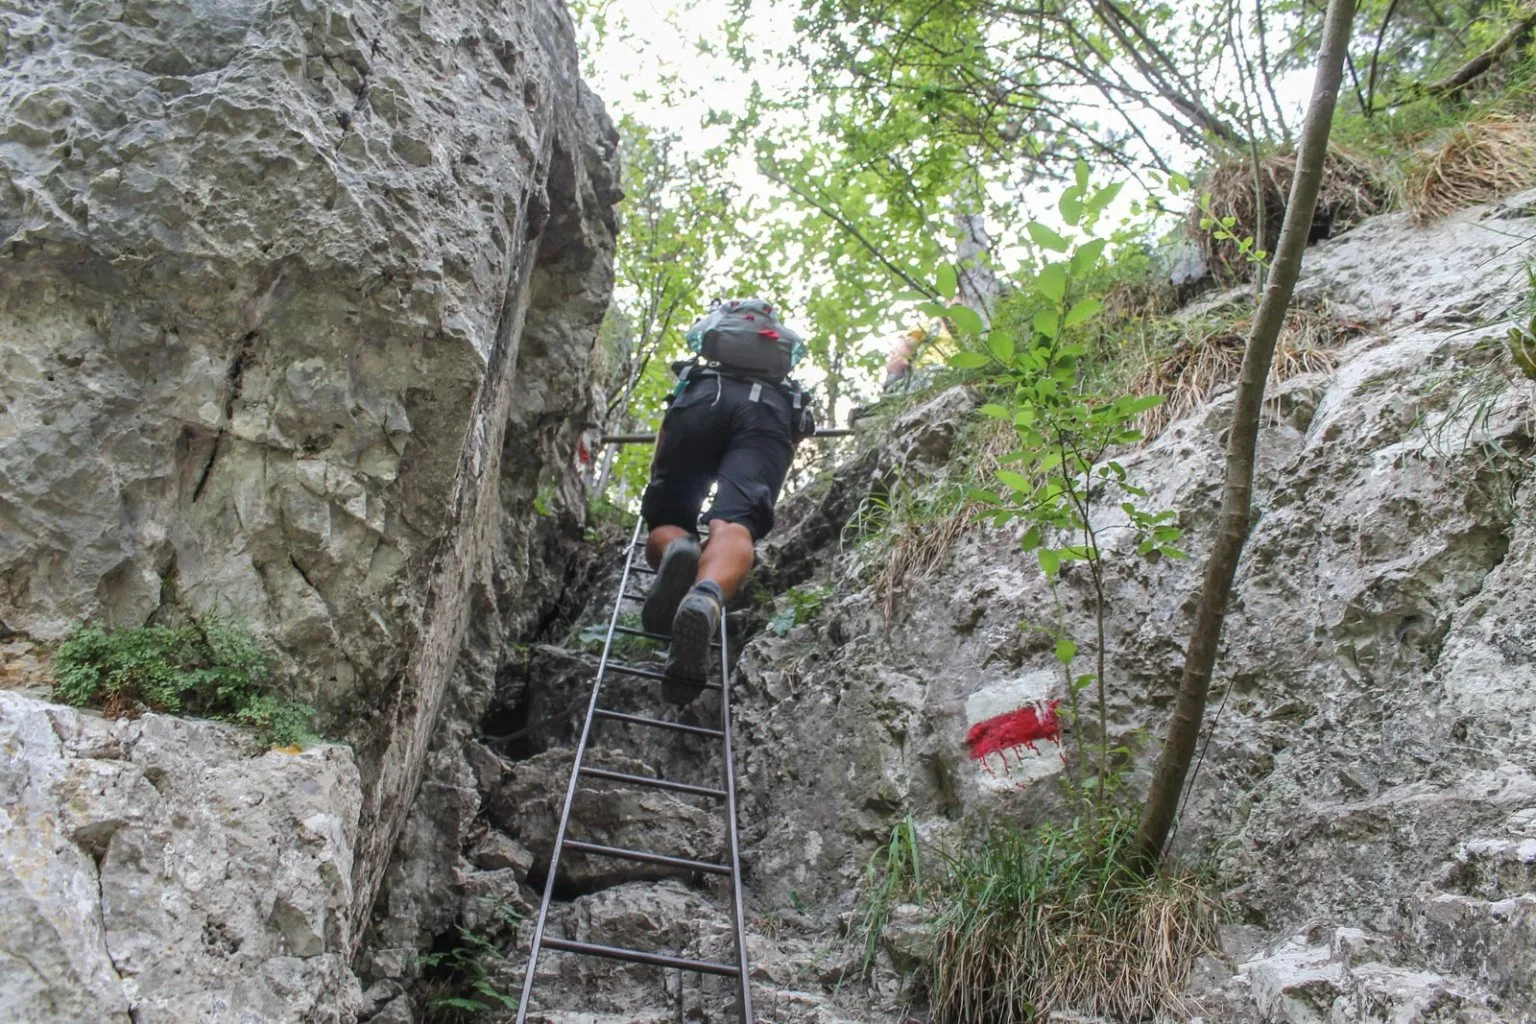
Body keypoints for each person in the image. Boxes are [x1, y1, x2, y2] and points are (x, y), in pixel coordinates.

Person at [639, 298, 815, 703]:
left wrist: (660, 483)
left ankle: (678, 547)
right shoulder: (783, 376)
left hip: (701, 401)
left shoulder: (703, 368)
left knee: (670, 517)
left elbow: (667, 432)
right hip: (768, 411)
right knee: (735, 523)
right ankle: (705, 596)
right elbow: (791, 441)